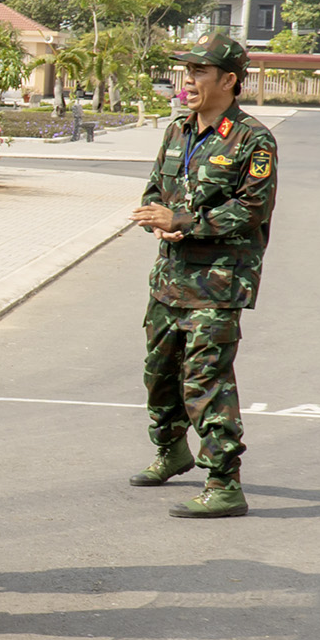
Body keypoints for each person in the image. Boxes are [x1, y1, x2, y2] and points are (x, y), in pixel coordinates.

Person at [129, 31, 277, 518]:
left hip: (218, 282)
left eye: (199, 72)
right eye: (186, 72)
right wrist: (158, 219)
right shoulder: (177, 130)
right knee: (159, 373)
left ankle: (224, 482)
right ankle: (171, 449)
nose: (188, 80)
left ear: (229, 80)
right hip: (169, 278)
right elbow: (156, 188)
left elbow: (252, 209)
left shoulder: (253, 139)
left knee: (205, 379)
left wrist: (185, 223)